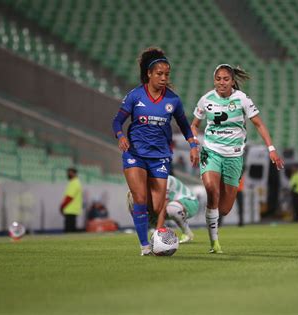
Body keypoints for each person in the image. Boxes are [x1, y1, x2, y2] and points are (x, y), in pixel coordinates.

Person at [112, 47, 199, 256]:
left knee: (158, 206)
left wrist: (193, 145)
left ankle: (138, 206)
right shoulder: (135, 96)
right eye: (159, 74)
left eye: (166, 74)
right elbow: (117, 121)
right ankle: (144, 246)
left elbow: (186, 126)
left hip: (160, 156)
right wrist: (121, 136)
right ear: (149, 74)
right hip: (135, 154)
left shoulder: (173, 100)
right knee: (141, 198)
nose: (163, 78)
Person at [191, 64, 284, 253]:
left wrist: (271, 149)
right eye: (218, 79)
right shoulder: (206, 99)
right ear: (214, 80)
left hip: (234, 155)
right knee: (211, 188)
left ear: (232, 81)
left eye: (226, 79)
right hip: (211, 150)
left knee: (224, 209)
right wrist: (194, 144)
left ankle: (214, 216)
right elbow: (194, 125)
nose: (222, 82)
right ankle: (214, 242)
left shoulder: (242, 99)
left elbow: (258, 123)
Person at [127, 175, 199, 244]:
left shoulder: (164, 180)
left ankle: (187, 233)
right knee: (149, 215)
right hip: (168, 206)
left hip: (190, 202)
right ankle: (167, 236)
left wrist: (157, 232)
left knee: (173, 208)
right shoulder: (142, 184)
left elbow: (163, 207)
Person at [59, 167, 83, 232]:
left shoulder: (74, 183)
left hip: (71, 209)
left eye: (69, 172)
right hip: (73, 209)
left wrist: (62, 206)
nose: (68, 174)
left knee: (69, 230)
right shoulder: (76, 182)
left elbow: (69, 197)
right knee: (72, 228)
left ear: (74, 173)